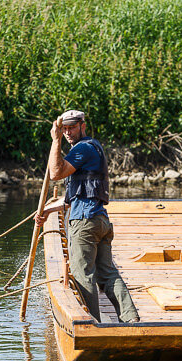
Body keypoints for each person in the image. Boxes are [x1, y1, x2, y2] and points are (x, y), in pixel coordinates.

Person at [35, 109, 139, 323]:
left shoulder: (82, 148)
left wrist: (55, 141)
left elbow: (55, 173)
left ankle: (91, 324)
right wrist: (47, 210)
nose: (67, 132)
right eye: (64, 129)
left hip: (84, 223)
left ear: (83, 125)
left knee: (83, 276)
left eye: (72, 127)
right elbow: (75, 196)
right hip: (99, 220)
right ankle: (130, 319)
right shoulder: (94, 147)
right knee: (106, 273)